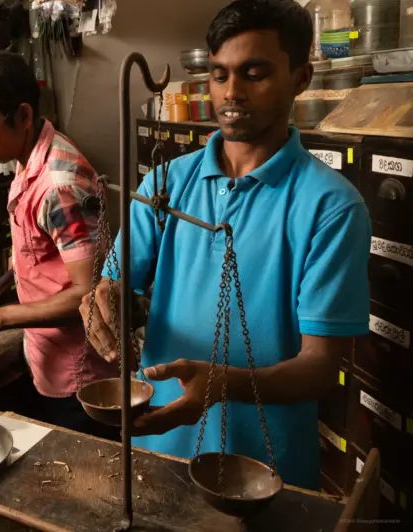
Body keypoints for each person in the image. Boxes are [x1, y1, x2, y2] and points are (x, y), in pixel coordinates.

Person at [80, 0, 370, 491]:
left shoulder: (331, 207)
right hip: (160, 447)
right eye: (219, 75)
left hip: (265, 468)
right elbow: (117, 278)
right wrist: (101, 301)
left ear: (301, 76)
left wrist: (224, 385)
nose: (231, 92)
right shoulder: (169, 182)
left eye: (254, 73)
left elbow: (321, 368)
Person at [0, 49, 119, 436]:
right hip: (45, 357)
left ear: (23, 115)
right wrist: (22, 260)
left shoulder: (61, 185)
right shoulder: (28, 157)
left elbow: (89, 294)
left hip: (79, 375)